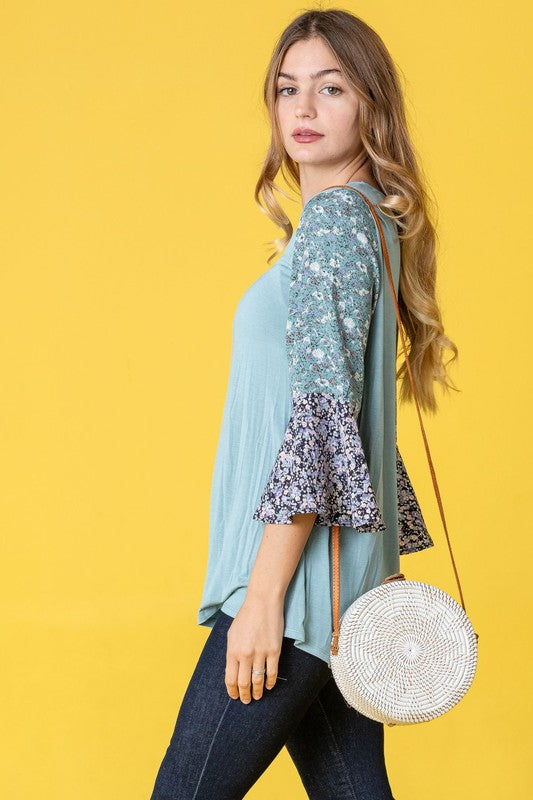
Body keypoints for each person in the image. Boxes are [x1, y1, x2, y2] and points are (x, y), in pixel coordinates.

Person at [149, 8, 458, 800]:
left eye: (331, 88)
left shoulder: (330, 229)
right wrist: (378, 563)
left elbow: (323, 421)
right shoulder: (370, 226)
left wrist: (260, 601)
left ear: (371, 106)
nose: (303, 109)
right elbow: (354, 418)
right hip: (337, 587)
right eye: (287, 89)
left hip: (292, 591)